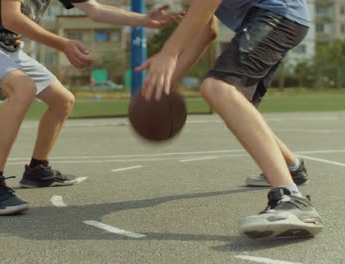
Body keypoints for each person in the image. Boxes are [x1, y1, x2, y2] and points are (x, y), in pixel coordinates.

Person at [0, 0, 183, 216]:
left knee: (63, 100)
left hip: (9, 48)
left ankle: (37, 169)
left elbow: (94, 9)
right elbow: (11, 18)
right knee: (23, 88)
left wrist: (143, 19)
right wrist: (63, 44)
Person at [136, 0, 323, 239]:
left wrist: (170, 51)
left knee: (218, 88)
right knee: (239, 107)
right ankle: (292, 167)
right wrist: (167, 83)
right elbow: (206, 30)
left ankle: (291, 199)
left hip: (277, 13)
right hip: (274, 17)